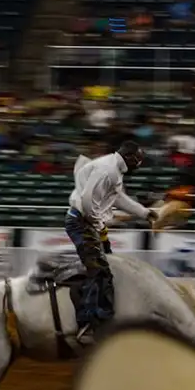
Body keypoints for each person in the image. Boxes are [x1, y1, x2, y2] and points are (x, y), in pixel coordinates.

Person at [66, 140, 158, 343]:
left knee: (108, 267)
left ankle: (102, 314)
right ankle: (88, 325)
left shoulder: (114, 170)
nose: (139, 165)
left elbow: (117, 199)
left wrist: (144, 212)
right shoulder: (108, 170)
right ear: (129, 157)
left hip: (89, 222)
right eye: (138, 160)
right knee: (100, 270)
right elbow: (88, 200)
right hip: (82, 222)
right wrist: (99, 226)